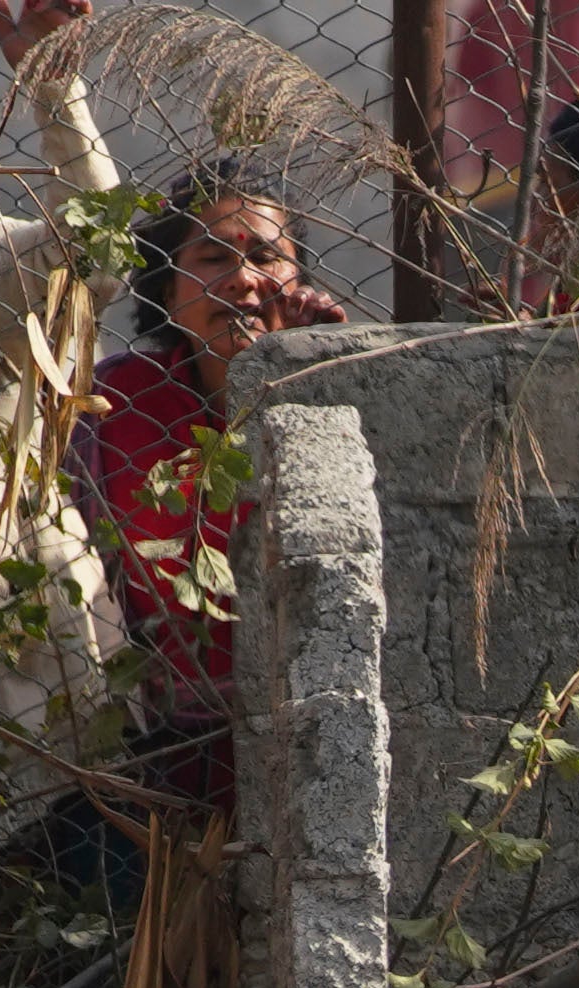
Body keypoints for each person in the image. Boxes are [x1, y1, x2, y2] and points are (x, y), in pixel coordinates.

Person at [74, 167, 352, 811]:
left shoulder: (341, 378)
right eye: (213, 258)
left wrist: (306, 368)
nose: (244, 279)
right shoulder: (113, 402)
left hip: (317, 722)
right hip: (151, 745)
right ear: (167, 291)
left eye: (266, 257)